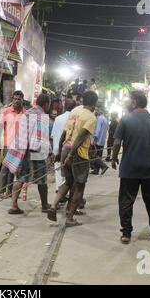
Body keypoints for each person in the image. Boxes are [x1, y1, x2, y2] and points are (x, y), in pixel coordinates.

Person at [111, 91, 150, 244]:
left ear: (134, 102)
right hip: (149, 169)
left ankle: (126, 234)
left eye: (128, 100)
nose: (126, 103)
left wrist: (113, 158)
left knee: (126, 201)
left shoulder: (125, 120)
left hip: (129, 169)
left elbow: (117, 143)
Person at [47, 91, 98, 227]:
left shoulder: (73, 114)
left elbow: (64, 134)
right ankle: (70, 218)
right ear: (95, 103)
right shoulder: (91, 117)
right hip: (78, 153)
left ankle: (53, 205)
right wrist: (71, 155)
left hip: (65, 148)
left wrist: (59, 152)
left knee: (68, 182)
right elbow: (81, 137)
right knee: (79, 186)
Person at [3, 93, 52, 215]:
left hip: (22, 150)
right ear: (46, 104)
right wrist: (48, 152)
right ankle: (45, 205)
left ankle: (13, 205)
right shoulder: (41, 116)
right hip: (35, 152)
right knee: (42, 179)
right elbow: (40, 137)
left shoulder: (28, 112)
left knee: (20, 178)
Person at [0, 90, 26, 199]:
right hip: (8, 144)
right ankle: (1, 191)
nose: (16, 101)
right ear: (12, 99)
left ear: (22, 100)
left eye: (19, 99)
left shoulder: (25, 113)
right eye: (15, 99)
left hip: (19, 146)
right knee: (5, 168)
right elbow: (0, 127)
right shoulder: (6, 111)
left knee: (13, 169)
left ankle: (9, 191)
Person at [51, 99, 76, 193]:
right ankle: (66, 193)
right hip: (69, 149)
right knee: (69, 173)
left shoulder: (58, 118)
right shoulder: (75, 119)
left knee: (58, 172)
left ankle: (59, 190)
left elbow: (53, 135)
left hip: (57, 148)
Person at [91, 106, 109, 175]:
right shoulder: (105, 119)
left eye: (97, 109)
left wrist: (94, 139)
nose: (96, 111)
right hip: (102, 140)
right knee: (98, 155)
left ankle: (103, 166)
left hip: (98, 140)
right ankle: (96, 170)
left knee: (94, 155)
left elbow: (97, 130)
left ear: (101, 110)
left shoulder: (100, 119)